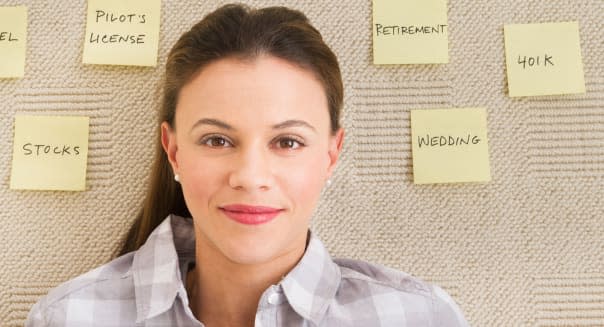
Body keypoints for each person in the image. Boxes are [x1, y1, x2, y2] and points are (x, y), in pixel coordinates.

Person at [26, 4, 469, 326]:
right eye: (217, 140)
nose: (251, 177)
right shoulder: (69, 317)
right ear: (174, 151)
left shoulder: (420, 317)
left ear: (331, 156)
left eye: (288, 142)